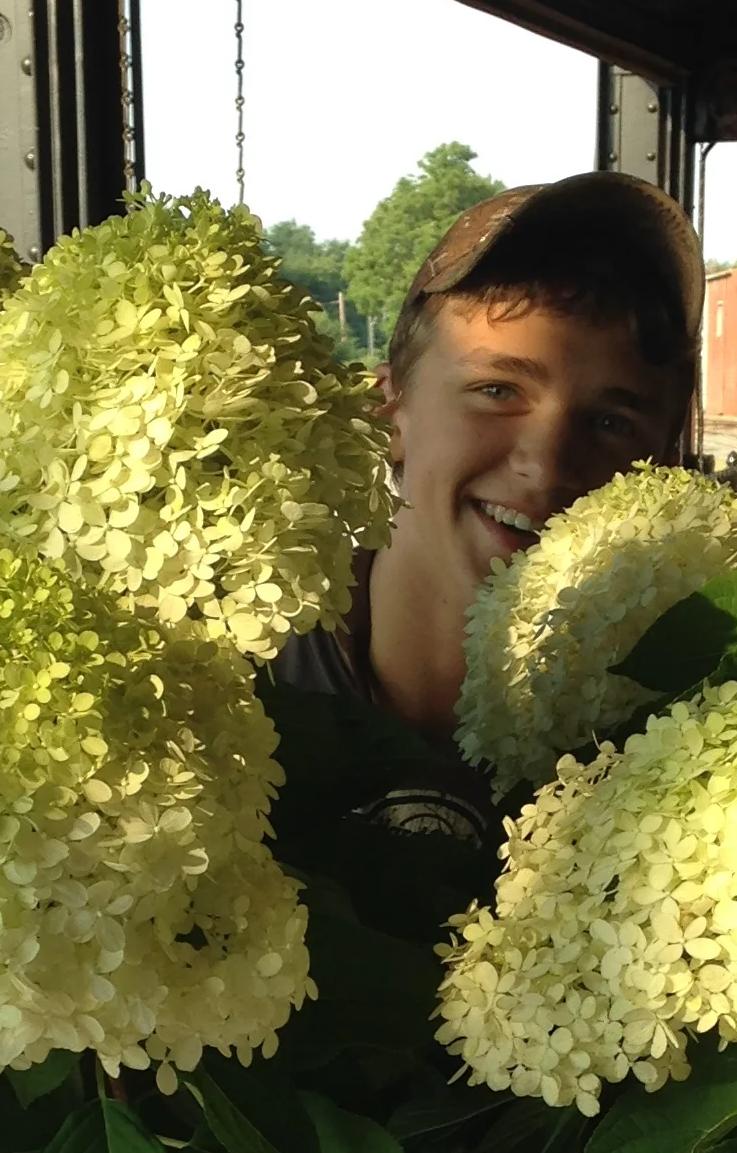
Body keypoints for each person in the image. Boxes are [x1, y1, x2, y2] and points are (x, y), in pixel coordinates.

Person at [276, 171, 704, 776]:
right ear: (386, 416)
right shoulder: (232, 678)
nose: (546, 465)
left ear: (660, 467)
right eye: (497, 390)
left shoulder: (682, 732)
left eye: (611, 423)